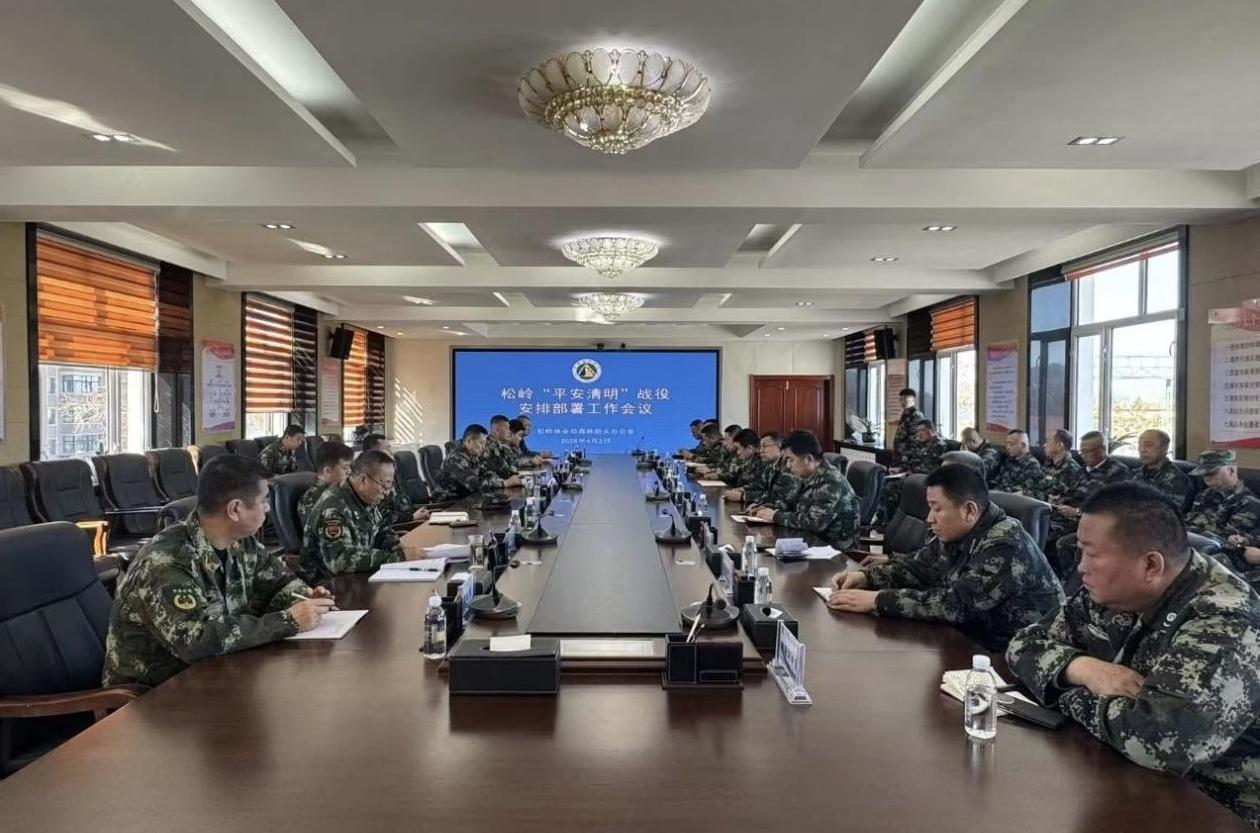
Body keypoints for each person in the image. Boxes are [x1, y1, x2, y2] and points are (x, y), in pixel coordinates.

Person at [1006, 482, 1260, 827]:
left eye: (1092, 554)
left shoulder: (1225, 620)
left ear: (1151, 565)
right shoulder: (1114, 590)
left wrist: (1063, 693)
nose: (1080, 567)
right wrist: (1083, 669)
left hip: (1218, 806)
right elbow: (1023, 643)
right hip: (1123, 772)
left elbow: (1156, 740)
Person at [102, 455, 333, 687]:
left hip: (219, 674)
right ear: (235, 509)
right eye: (263, 500)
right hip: (154, 694)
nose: (268, 508)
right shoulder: (166, 561)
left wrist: (305, 598)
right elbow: (195, 640)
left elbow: (278, 582)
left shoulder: (241, 541)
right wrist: (288, 620)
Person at [829, 464, 1063, 651]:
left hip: (1015, 658)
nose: (929, 518)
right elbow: (917, 568)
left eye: (937, 508)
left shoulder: (1005, 543)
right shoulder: (958, 532)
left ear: (969, 510)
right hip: (971, 640)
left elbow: (955, 606)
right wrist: (866, 577)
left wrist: (877, 600)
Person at [301, 450, 412, 582]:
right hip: (329, 584)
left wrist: (402, 551)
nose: (386, 492)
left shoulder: (366, 498)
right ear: (363, 479)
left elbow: (382, 532)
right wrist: (396, 558)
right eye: (384, 485)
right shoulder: (333, 508)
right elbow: (340, 560)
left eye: (389, 485)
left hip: (360, 575)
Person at [750, 430, 859, 550]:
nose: (788, 465)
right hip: (809, 541)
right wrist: (766, 508)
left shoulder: (831, 481)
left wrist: (776, 516)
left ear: (808, 459)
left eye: (791, 460)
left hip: (834, 549)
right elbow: (789, 502)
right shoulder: (806, 475)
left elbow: (815, 523)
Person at [1047, 430, 1130, 577]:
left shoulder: (1118, 472)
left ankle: (1073, 581)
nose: (1082, 455)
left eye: (1086, 451)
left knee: (1061, 542)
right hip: (1068, 519)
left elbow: (1113, 507)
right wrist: (1059, 501)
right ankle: (1052, 577)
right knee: (1042, 528)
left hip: (1093, 523)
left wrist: (1077, 512)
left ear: (1102, 450)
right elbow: (1071, 492)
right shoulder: (1082, 470)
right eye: (1081, 451)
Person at [1185, 449, 1260, 585]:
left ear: (1231, 470)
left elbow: (1228, 543)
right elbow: (1188, 524)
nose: (1207, 480)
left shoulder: (1248, 502)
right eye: (1203, 475)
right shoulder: (1203, 495)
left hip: (1215, 559)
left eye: (1211, 473)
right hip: (1188, 547)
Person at [360, 433, 430, 526]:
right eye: (387, 448)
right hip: (400, 527)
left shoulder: (392, 472)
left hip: (409, 521)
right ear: (373, 453)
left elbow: (400, 502)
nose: (392, 452)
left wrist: (417, 512)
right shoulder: (371, 479)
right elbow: (382, 515)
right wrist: (411, 517)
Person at [437, 423, 522, 497]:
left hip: (466, 498)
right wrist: (505, 483)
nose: (484, 447)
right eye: (481, 443)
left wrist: (505, 479)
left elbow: (485, 473)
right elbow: (474, 483)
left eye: (485, 444)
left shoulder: (473, 456)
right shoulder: (456, 458)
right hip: (449, 503)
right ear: (469, 441)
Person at [297, 441, 354, 526]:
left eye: (349, 467)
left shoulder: (339, 489)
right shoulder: (313, 500)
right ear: (327, 471)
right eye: (345, 468)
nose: (349, 471)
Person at [1135, 429, 1193, 510]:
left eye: (1148, 445)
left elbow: (1168, 513)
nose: (1142, 450)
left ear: (1164, 448)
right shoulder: (1135, 474)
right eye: (1139, 445)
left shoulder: (1178, 480)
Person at [742, 432, 801, 510]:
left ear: (780, 446)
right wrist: (743, 490)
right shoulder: (770, 466)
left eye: (765, 446)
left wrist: (743, 496)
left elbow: (780, 499)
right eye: (760, 447)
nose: (760, 451)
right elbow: (760, 487)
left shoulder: (789, 467)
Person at [1035, 429, 1082, 504]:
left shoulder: (1072, 470)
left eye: (1047, 441)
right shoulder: (1048, 464)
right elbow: (1039, 484)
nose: (1044, 445)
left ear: (1059, 446)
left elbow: (1055, 498)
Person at [992, 429, 1042, 495]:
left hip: (1011, 497)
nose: (1007, 447)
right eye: (1007, 444)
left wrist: (998, 492)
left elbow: (1025, 489)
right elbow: (998, 481)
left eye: (1011, 444)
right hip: (997, 494)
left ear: (1023, 445)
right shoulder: (1009, 460)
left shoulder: (1032, 465)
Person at [717, 429, 763, 495]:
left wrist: (742, 492)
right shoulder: (749, 462)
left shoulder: (761, 463)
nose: (737, 453)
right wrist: (717, 476)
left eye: (738, 448)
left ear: (749, 448)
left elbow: (759, 488)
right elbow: (733, 477)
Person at [892, 388, 929, 468]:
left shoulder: (916, 416)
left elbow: (916, 438)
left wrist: (908, 456)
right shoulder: (905, 414)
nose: (903, 402)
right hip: (900, 453)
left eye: (905, 399)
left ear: (913, 400)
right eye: (901, 399)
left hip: (909, 455)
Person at [481, 415, 519, 479]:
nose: (510, 432)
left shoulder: (503, 447)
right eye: (506, 428)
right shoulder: (485, 446)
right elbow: (503, 470)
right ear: (497, 430)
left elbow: (516, 462)